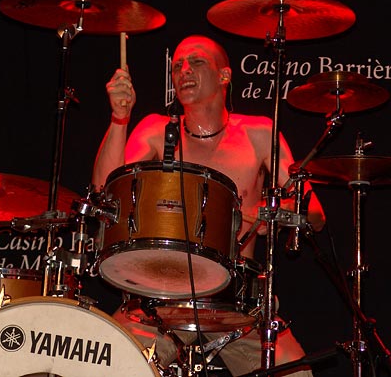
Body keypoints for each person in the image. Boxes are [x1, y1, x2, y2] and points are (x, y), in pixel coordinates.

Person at [91, 34, 326, 376]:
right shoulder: (156, 130)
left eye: (197, 62)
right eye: (177, 66)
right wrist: (119, 119)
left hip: (237, 301)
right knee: (112, 367)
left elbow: (315, 214)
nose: (184, 70)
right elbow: (105, 191)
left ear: (224, 75)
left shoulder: (259, 133)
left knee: (296, 375)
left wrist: (271, 213)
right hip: (160, 295)